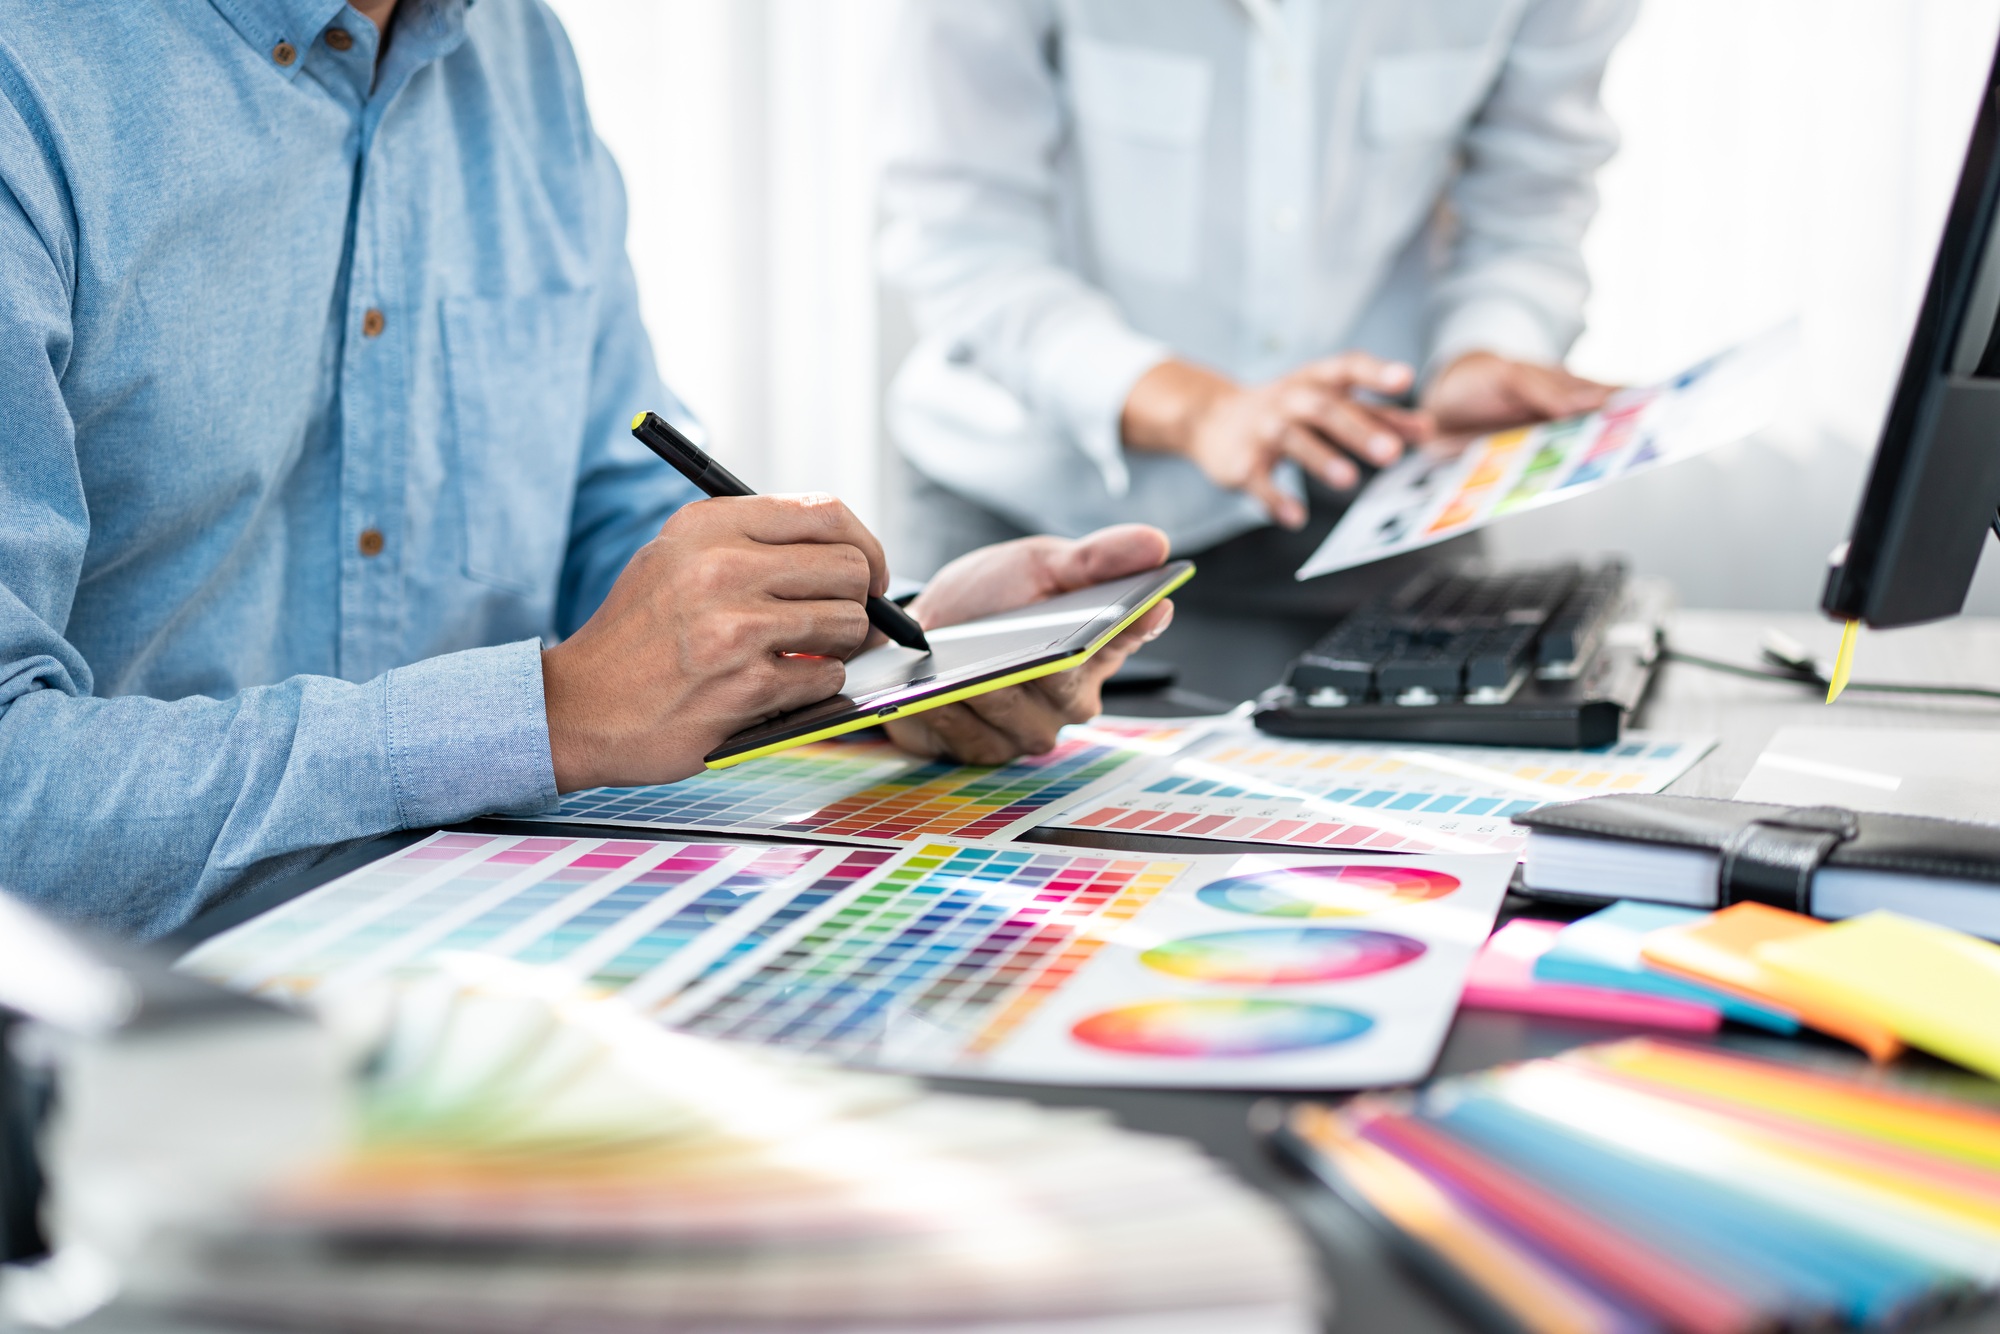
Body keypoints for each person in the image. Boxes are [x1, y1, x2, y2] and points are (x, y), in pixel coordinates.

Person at [0, 0, 1172, 940]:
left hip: (505, 939)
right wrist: (551, 714)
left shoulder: (520, 59)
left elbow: (601, 519)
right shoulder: (31, 83)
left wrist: (856, 653)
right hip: (146, 1041)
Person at [878, 0, 1636, 609]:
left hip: (1371, 500)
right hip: (1032, 508)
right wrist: (1199, 408)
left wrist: (1485, 343)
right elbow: (965, 236)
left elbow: (1531, 197)